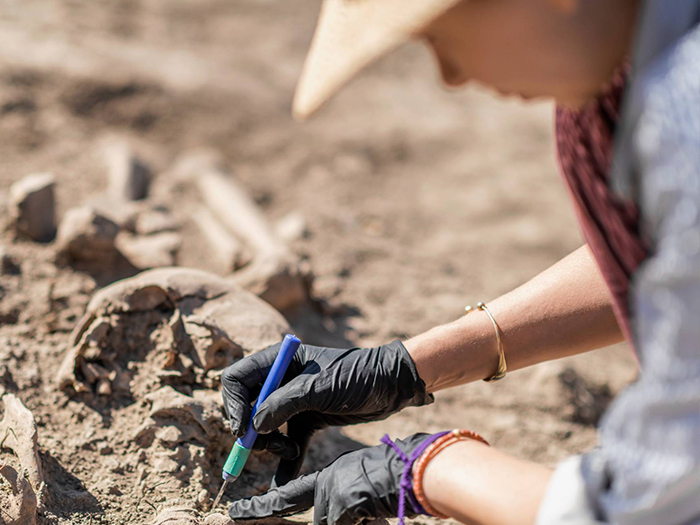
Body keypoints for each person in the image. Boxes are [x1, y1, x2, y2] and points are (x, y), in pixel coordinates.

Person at [221, 0, 700, 523]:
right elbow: (666, 263)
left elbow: (646, 505)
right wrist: (408, 367)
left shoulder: (682, 116)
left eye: (438, 38)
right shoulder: (624, 89)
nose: (450, 76)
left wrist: (427, 469)